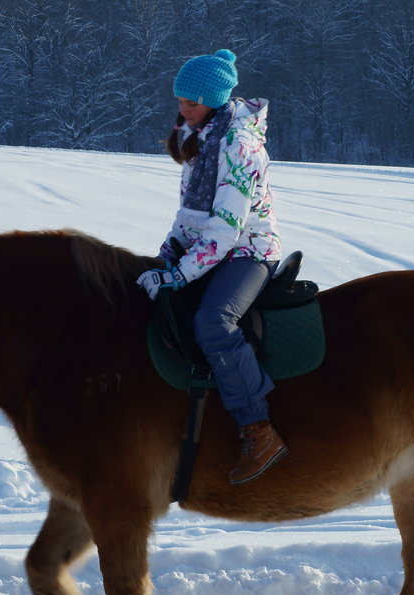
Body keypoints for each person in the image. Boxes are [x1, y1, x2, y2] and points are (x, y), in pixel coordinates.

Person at [137, 48, 287, 485]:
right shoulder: (200, 136)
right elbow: (188, 217)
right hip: (212, 245)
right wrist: (165, 256)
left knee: (213, 322)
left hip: (249, 250)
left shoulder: (239, 146)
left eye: (192, 103)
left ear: (216, 101)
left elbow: (225, 228)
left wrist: (180, 274)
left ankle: (258, 429)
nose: (183, 110)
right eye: (180, 101)